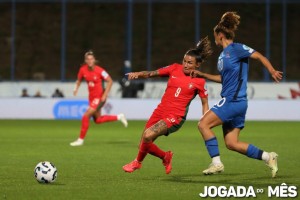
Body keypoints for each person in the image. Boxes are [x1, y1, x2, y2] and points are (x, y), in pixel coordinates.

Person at [190, 12, 283, 177]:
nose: (215, 40)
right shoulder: (222, 57)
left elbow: (259, 56)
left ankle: (216, 163)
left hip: (233, 101)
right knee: (232, 143)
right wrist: (203, 75)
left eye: (215, 37)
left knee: (203, 124)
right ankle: (268, 157)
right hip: (237, 103)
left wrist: (272, 70)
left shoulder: (236, 49)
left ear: (220, 35)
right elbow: (223, 79)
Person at [122, 37, 212, 174]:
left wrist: (206, 119)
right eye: (184, 61)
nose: (186, 65)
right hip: (160, 110)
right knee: (145, 141)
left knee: (147, 136)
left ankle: (137, 163)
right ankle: (165, 156)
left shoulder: (199, 81)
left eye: (190, 63)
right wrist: (138, 74)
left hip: (175, 116)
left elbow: (205, 103)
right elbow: (153, 73)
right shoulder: (174, 68)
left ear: (197, 65)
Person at [70, 50, 128, 146]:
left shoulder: (100, 70)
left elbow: (110, 81)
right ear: (85, 60)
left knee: (86, 116)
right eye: (88, 59)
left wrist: (105, 94)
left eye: (91, 59)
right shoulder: (82, 70)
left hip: (100, 97)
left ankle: (80, 140)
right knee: (98, 120)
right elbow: (79, 80)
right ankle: (119, 116)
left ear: (94, 60)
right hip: (91, 98)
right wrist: (76, 88)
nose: (90, 61)